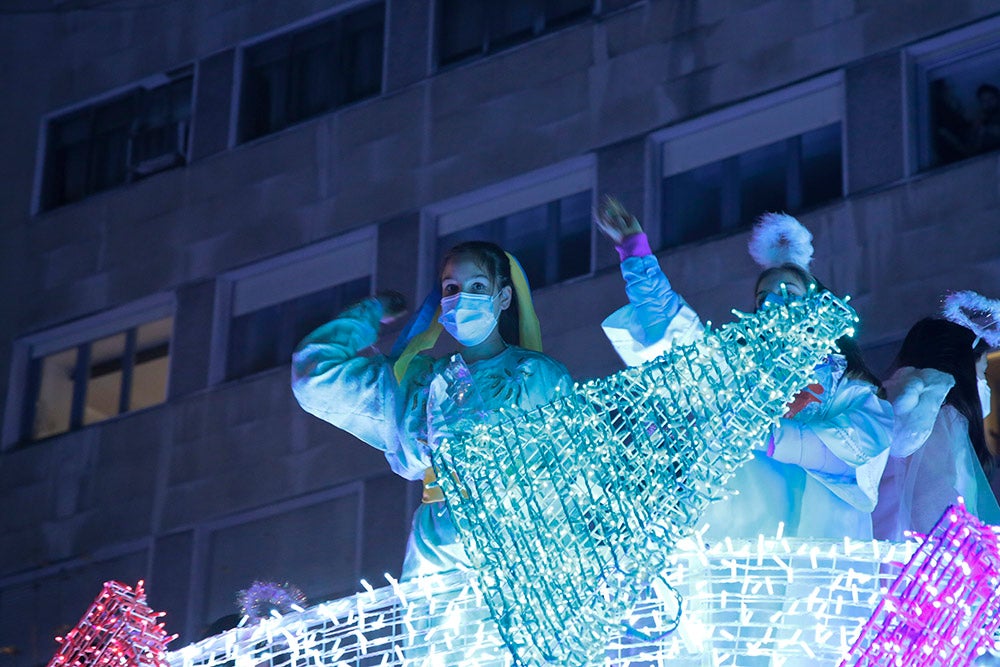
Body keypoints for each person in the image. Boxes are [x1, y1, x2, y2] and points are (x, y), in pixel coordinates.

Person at [595, 200, 893, 541]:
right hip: (738, 528)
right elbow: (680, 344)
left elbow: (864, 442)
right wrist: (635, 253)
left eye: (789, 293)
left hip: (815, 535)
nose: (776, 304)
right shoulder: (739, 370)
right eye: (765, 298)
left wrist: (772, 437)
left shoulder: (845, 380)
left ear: (816, 302)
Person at [291, 240, 573, 581]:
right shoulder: (416, 383)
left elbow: (570, 472)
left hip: (516, 547)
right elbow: (314, 377)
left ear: (504, 297)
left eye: (478, 286)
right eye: (452, 288)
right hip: (434, 550)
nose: (462, 297)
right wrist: (369, 312)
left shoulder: (536, 375)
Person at [873, 298, 1000, 540]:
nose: (985, 385)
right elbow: (931, 499)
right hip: (928, 565)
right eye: (982, 372)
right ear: (961, 367)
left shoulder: (913, 413)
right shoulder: (939, 417)